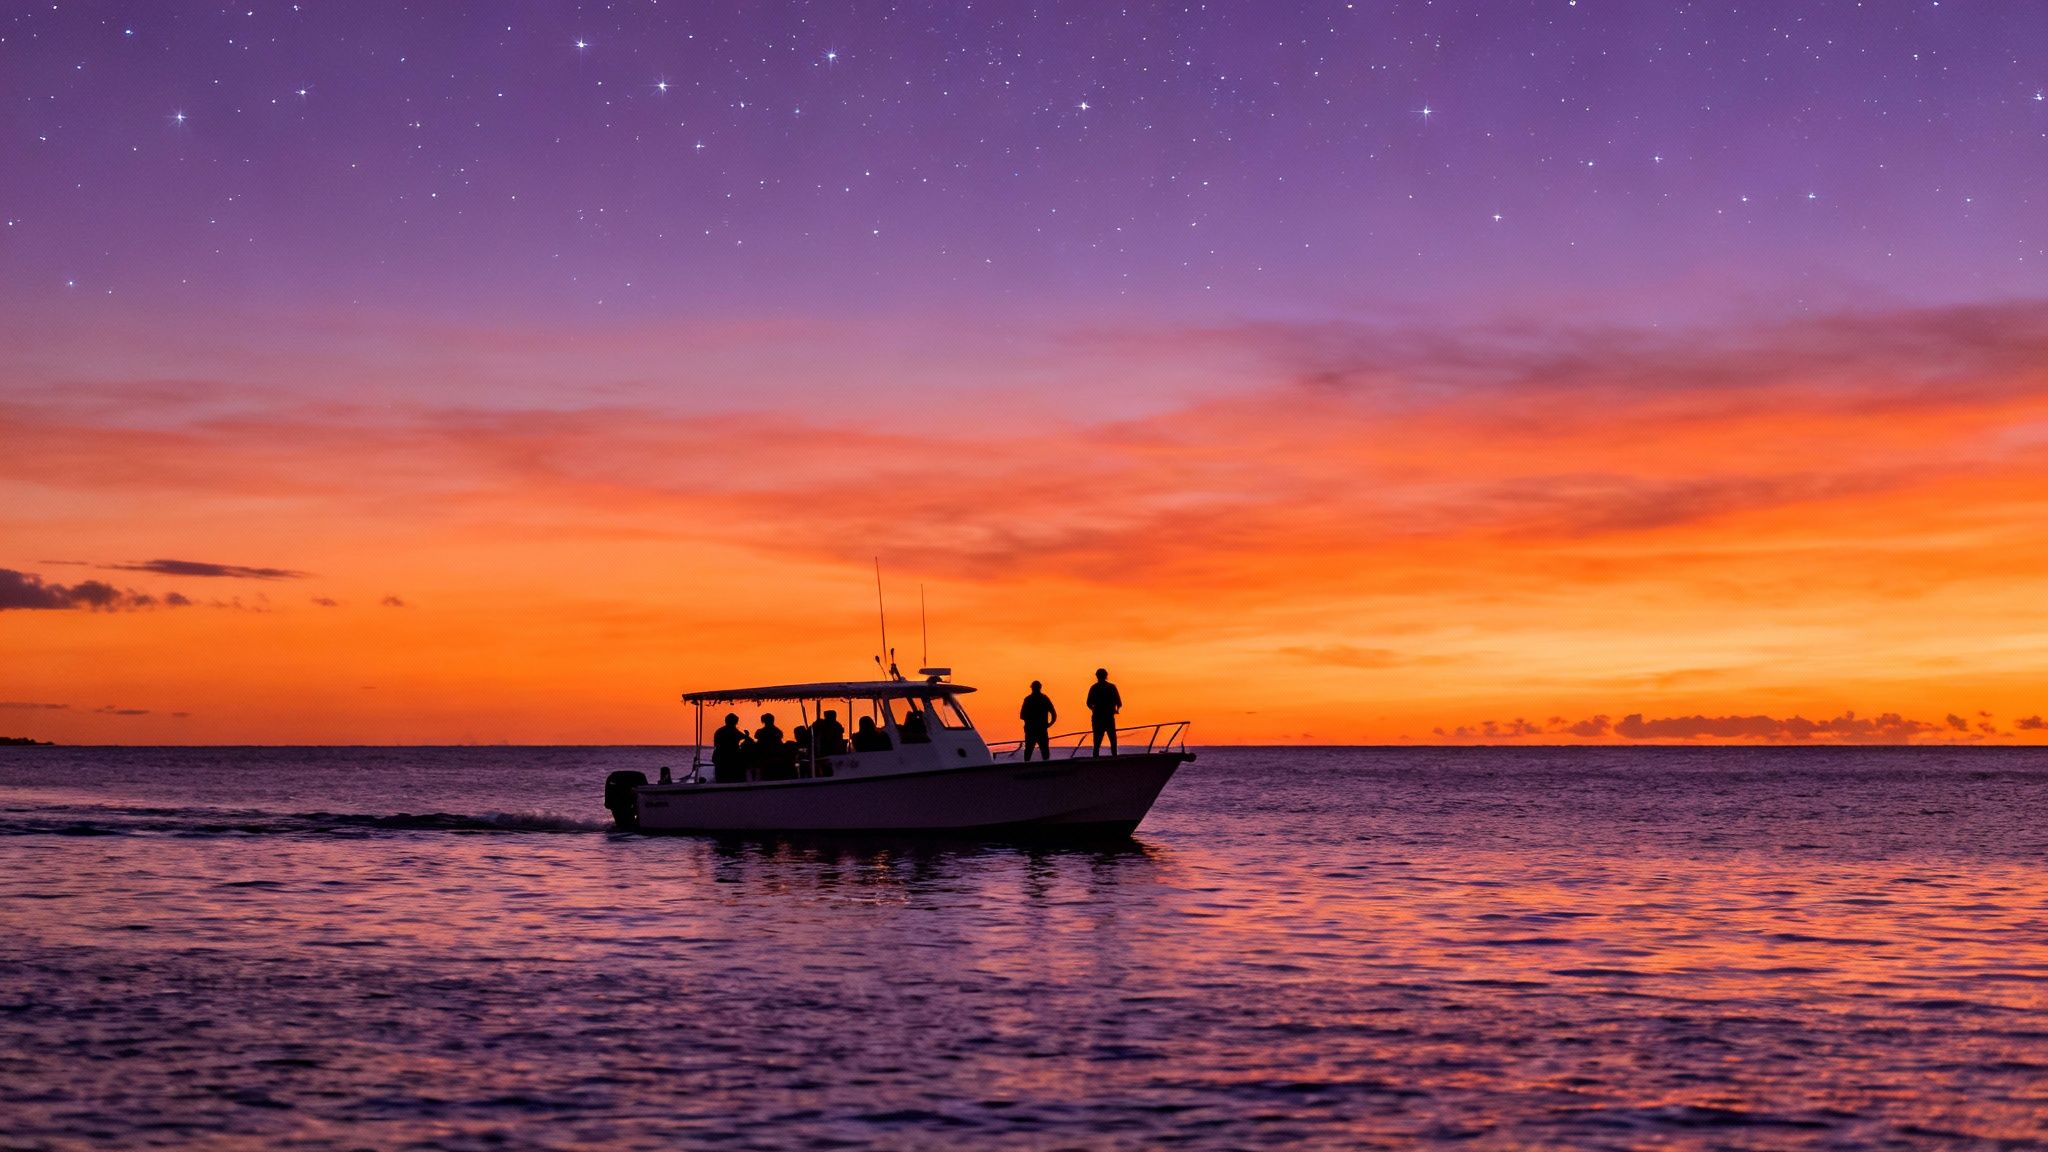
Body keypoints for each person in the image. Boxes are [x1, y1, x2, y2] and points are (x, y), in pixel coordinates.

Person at [1086, 667, 1122, 756]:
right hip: (1109, 717)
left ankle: (1095, 759)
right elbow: (1119, 703)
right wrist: (1116, 710)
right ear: (1106, 676)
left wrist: (1094, 709)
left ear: (1097, 676)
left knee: (1097, 741)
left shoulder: (1094, 688)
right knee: (1113, 739)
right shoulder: (1111, 687)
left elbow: (1088, 703)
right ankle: (1115, 757)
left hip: (1097, 717)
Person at [1019, 680, 1057, 761]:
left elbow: (1022, 716)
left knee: (1030, 752)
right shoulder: (1043, 699)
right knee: (1042, 752)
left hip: (1033, 730)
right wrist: (1049, 724)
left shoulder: (1029, 699)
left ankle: (1027, 768)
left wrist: (1049, 724)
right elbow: (1054, 714)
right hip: (1038, 730)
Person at [711, 712, 752, 783]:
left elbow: (716, 744)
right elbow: (749, 740)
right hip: (733, 758)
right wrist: (747, 735)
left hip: (720, 757)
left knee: (720, 779)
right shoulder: (734, 731)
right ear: (735, 722)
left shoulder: (719, 731)